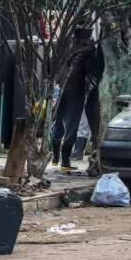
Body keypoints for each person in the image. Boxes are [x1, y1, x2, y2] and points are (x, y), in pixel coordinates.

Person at [52, 27, 96, 171]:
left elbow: (50, 66)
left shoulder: (61, 44)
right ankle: (65, 161)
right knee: (72, 124)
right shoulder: (87, 47)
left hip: (59, 86)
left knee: (58, 120)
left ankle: (55, 157)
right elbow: (90, 70)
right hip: (75, 90)